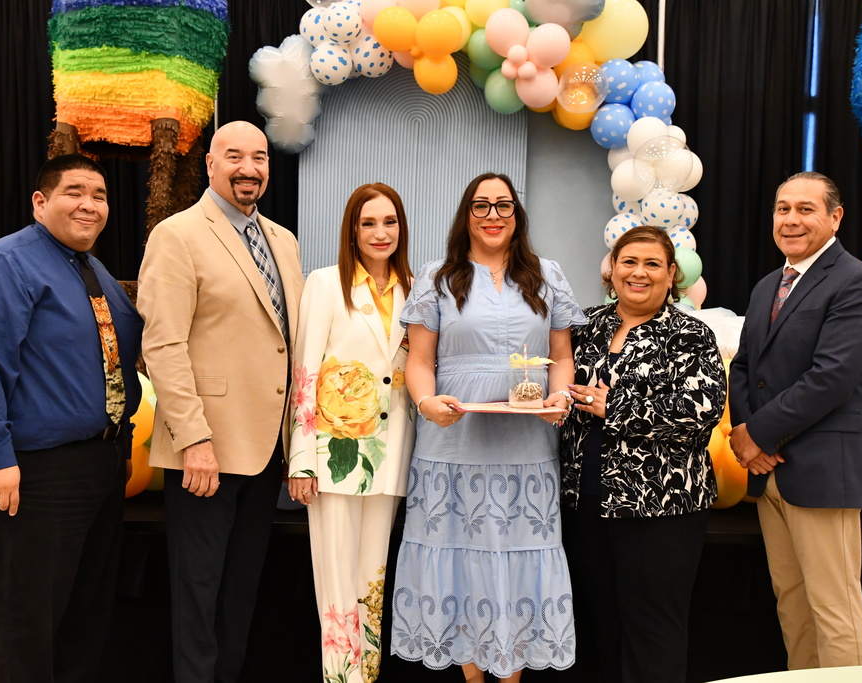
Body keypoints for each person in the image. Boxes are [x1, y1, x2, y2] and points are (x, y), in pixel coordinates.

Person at [389, 172, 584, 682]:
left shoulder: (548, 276)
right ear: (466, 215)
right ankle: (473, 678)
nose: (493, 215)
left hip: (527, 445)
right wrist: (426, 401)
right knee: (459, 560)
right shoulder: (435, 278)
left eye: (503, 205)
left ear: (516, 215)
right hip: (452, 444)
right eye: (481, 206)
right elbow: (418, 361)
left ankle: (513, 676)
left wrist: (560, 396)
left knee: (520, 559)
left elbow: (562, 357)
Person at [0, 154, 143, 682]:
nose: (90, 204)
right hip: (30, 473)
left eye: (100, 195)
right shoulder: (5, 263)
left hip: (98, 466)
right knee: (26, 629)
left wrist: (120, 450)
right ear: (40, 202)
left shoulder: (92, 269)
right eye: (74, 191)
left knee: (83, 621)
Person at [137, 120, 304, 682]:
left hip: (266, 453)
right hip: (205, 453)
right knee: (198, 593)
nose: (248, 168)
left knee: (240, 594)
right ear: (210, 164)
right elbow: (162, 344)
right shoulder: (178, 234)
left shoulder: (284, 241)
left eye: (259, 157)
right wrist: (195, 440)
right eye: (234, 156)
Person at [729, 171, 862, 670]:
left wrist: (756, 434)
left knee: (834, 610)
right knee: (792, 606)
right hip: (767, 473)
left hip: (822, 472)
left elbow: (831, 379)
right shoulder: (764, 288)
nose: (791, 219)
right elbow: (744, 367)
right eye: (783, 209)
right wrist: (747, 439)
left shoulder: (856, 282)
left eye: (805, 209)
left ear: (835, 217)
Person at [558, 225, 726, 683]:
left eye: (652, 264)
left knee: (654, 632)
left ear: (671, 275)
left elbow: (701, 411)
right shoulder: (586, 326)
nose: (639, 272)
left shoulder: (690, 334)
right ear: (611, 270)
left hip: (661, 511)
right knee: (598, 628)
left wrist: (615, 407)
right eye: (628, 262)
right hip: (584, 506)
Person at [287, 182, 415, 683]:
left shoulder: (415, 290)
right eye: (368, 223)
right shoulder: (324, 284)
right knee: (337, 592)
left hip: (389, 459)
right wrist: (300, 460)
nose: (380, 233)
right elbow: (306, 374)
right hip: (334, 453)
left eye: (389, 222)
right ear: (352, 230)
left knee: (373, 587)